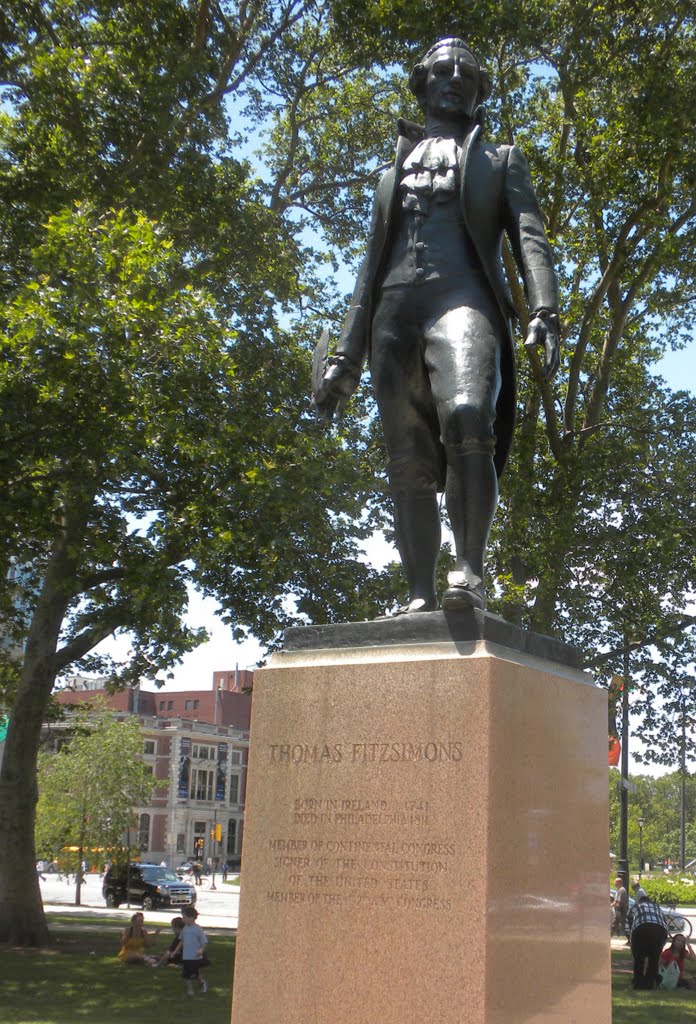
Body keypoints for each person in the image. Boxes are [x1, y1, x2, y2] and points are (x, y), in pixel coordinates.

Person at [314, 37, 559, 615]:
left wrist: (544, 310)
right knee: (409, 459)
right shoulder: (388, 171)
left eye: (467, 72)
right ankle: (420, 594)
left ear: (480, 92)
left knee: (470, 414)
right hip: (394, 313)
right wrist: (346, 357)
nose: (455, 79)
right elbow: (369, 267)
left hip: (465, 297)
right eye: (443, 70)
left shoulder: (500, 161)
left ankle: (469, 572)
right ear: (422, 82)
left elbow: (529, 237)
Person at [629, 896, 668, 989]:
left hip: (642, 929)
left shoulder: (635, 907)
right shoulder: (657, 907)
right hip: (660, 930)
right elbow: (664, 921)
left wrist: (631, 940)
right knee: (654, 958)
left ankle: (638, 982)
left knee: (639, 957)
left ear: (640, 901)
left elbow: (628, 923)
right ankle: (650, 983)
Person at [174, 906, 208, 997]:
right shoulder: (185, 929)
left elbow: (204, 942)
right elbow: (181, 941)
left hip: (195, 957)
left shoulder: (198, 929)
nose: (183, 920)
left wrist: (201, 950)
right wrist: (175, 951)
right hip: (186, 957)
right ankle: (190, 991)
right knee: (186, 975)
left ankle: (203, 983)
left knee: (195, 974)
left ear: (191, 918)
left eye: (184, 918)